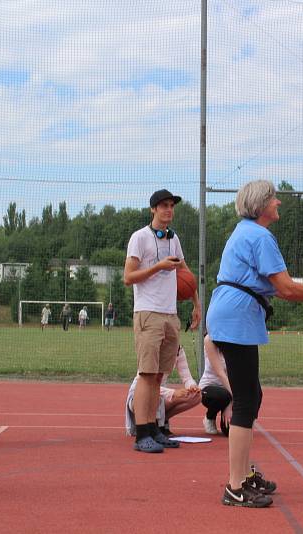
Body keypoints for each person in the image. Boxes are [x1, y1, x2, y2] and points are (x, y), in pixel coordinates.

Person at [206, 180, 303, 507]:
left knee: (251, 396)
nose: (278, 203)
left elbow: (276, 286)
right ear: (261, 205)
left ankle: (244, 474)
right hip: (235, 316)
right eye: (274, 198)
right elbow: (286, 288)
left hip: (230, 313)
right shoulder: (260, 236)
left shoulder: (244, 231)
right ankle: (236, 485)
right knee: (246, 399)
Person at [124, 189, 200, 453]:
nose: (169, 209)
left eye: (171, 206)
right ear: (153, 210)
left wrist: (196, 304)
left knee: (159, 376)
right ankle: (142, 432)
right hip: (148, 312)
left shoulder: (173, 239)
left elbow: (185, 272)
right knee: (146, 374)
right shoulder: (140, 238)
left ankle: (155, 427)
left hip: (170, 314)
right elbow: (128, 277)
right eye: (164, 206)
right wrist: (158, 267)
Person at [125, 344, 201, 438]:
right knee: (160, 398)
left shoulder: (178, 350)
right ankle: (147, 425)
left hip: (162, 394)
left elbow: (187, 378)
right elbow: (146, 385)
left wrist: (193, 387)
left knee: (196, 397)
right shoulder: (154, 350)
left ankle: (161, 421)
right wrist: (173, 393)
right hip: (139, 396)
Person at [198, 335, 232, 436]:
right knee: (223, 395)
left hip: (230, 391)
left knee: (229, 431)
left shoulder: (235, 342)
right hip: (210, 387)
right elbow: (220, 373)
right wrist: (232, 398)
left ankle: (248, 420)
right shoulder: (210, 340)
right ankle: (210, 417)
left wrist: (232, 403)